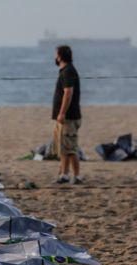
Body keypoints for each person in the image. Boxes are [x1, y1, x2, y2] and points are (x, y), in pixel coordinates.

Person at [52, 45, 83, 185]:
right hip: (66, 117)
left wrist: (62, 113)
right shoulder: (65, 71)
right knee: (64, 148)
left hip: (69, 117)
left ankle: (76, 176)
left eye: (55, 54)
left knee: (70, 149)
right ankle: (64, 174)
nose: (54, 57)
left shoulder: (68, 71)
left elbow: (68, 92)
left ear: (60, 56)